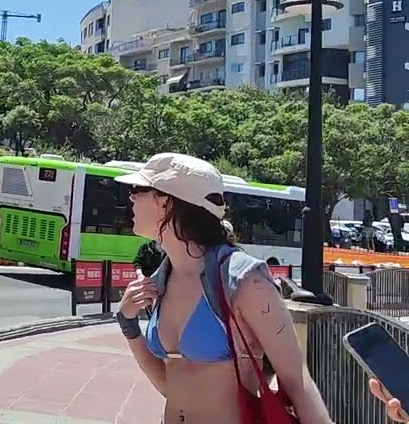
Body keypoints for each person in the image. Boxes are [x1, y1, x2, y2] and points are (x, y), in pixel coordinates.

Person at [114, 152, 332, 424]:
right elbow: (172, 386)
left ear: (166, 202)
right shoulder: (163, 278)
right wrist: (129, 325)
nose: (131, 198)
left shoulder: (243, 279)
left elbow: (297, 380)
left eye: (138, 190)